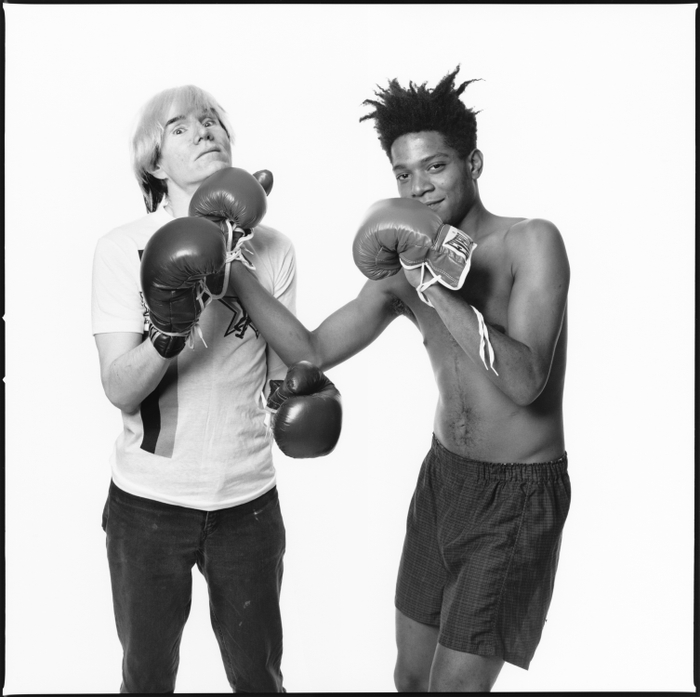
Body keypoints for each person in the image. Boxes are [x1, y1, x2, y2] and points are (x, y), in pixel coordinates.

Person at [225, 66, 572, 692]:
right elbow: (312, 347)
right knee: (410, 680)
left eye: (436, 167)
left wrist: (432, 280)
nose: (420, 187)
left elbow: (525, 382)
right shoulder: (401, 266)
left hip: (518, 496)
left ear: (474, 162)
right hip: (443, 480)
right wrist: (234, 270)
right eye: (403, 175)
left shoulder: (531, 243)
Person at [91, 84, 340, 693]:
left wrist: (301, 399)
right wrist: (170, 330)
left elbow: (282, 375)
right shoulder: (125, 248)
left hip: (247, 500)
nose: (204, 131)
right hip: (149, 503)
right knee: (146, 680)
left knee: (259, 679)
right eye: (180, 127)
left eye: (212, 121)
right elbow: (119, 388)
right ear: (154, 161)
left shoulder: (275, 249)